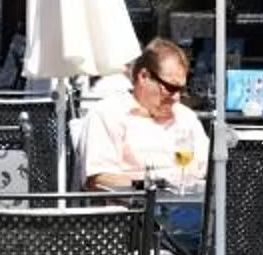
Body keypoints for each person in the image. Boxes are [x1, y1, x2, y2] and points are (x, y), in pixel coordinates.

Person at [79, 38, 209, 191]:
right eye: (170, 87)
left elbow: (209, 167)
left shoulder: (185, 117)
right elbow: (99, 178)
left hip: (187, 207)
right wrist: (151, 186)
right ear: (144, 76)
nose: (176, 97)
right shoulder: (108, 113)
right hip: (130, 209)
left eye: (181, 90)